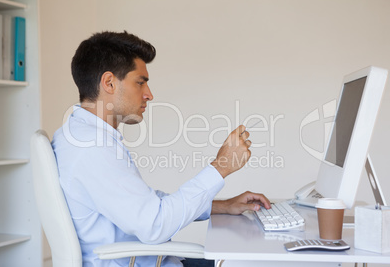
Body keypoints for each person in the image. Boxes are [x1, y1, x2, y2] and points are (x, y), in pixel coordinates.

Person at [52, 31, 270, 267]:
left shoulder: (80, 134)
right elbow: (154, 224)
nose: (149, 94)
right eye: (140, 82)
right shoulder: (92, 148)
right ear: (109, 82)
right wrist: (221, 167)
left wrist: (221, 206)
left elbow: (145, 204)